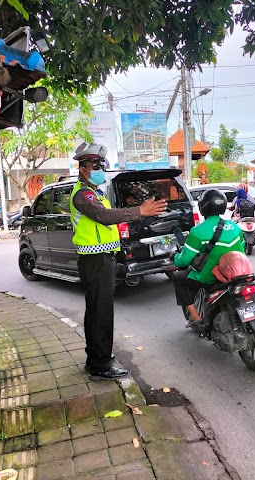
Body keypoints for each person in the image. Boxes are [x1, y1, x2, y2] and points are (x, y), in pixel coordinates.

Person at [70, 143, 167, 380]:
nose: (100, 170)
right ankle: (101, 365)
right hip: (95, 261)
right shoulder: (83, 194)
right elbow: (102, 217)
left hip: (102, 259)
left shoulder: (96, 194)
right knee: (100, 313)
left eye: (102, 166)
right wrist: (139, 211)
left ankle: (96, 359)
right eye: (96, 166)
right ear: (83, 169)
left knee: (97, 312)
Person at [173, 189, 245, 327]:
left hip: (211, 277)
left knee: (178, 278)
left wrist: (175, 257)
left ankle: (195, 317)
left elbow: (184, 260)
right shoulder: (235, 227)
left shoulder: (198, 231)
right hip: (238, 274)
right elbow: (243, 249)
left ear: (203, 207)